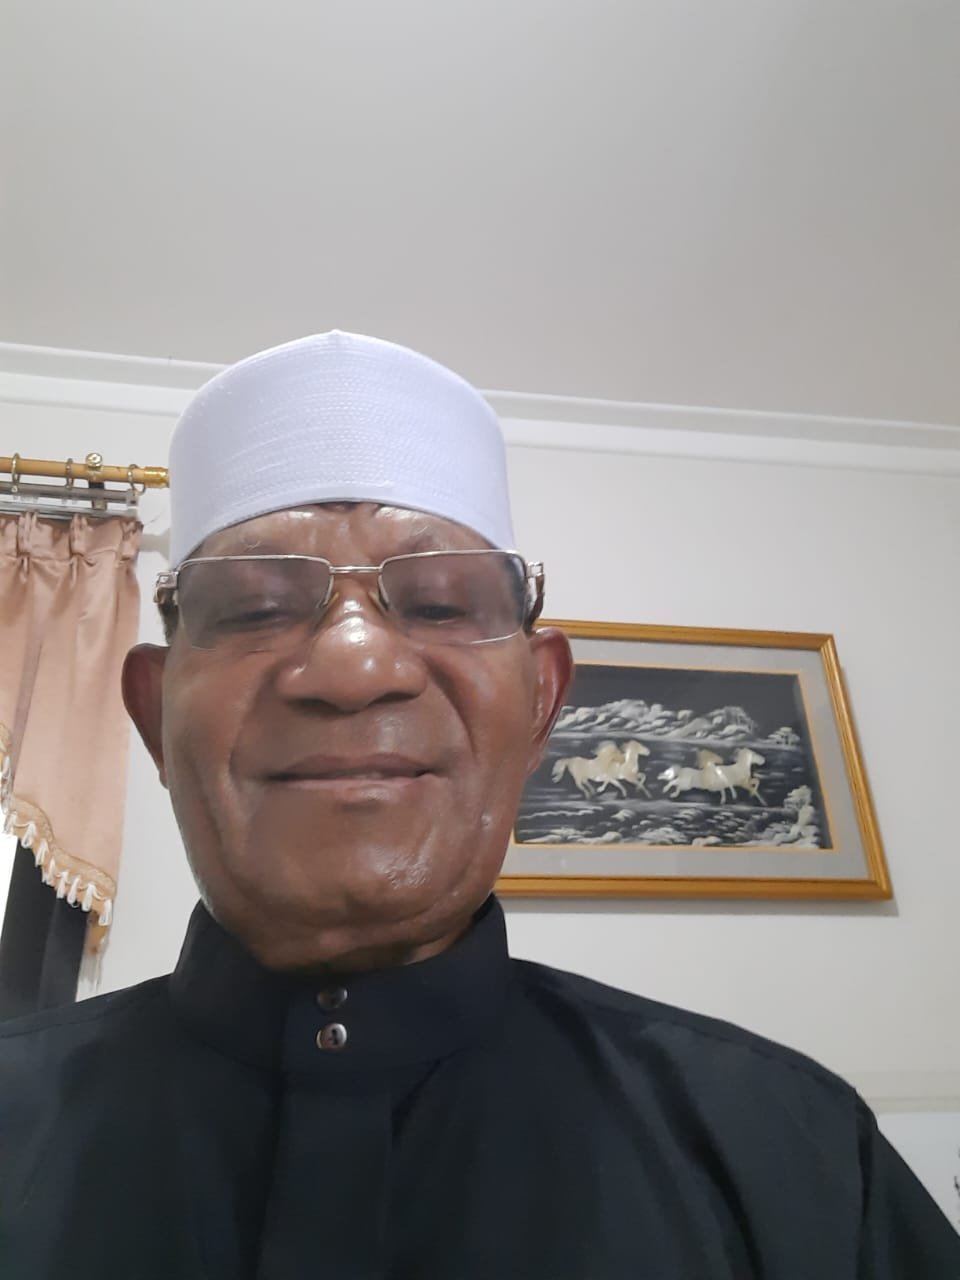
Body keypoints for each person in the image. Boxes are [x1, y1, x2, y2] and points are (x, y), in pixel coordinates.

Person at [1, 331, 957, 1279]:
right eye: (252, 608)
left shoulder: (795, 1157)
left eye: (441, 605)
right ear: (153, 715)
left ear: (542, 703)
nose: (353, 667)